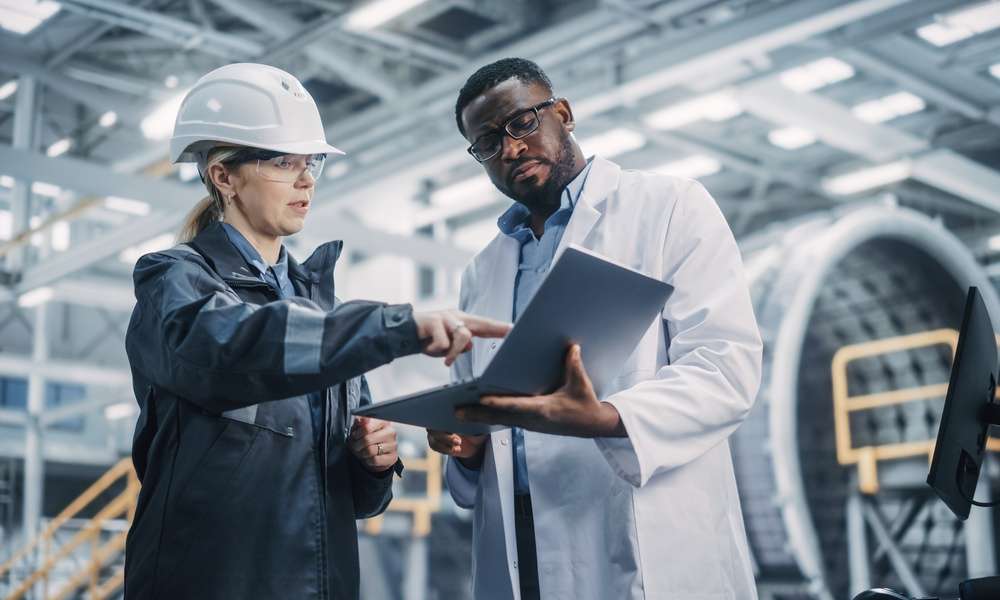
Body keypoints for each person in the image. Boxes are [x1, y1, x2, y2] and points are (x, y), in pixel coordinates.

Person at [123, 63, 509, 600]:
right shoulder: (175, 281)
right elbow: (235, 347)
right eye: (284, 162)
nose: (306, 179)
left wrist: (371, 462)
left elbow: (358, 501)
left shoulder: (320, 307)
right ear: (224, 176)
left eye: (312, 162)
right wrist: (395, 325)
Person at [427, 58, 763, 599]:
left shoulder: (669, 208)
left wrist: (608, 417)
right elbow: (485, 416)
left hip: (642, 538)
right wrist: (465, 448)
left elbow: (726, 369)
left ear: (563, 113)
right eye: (488, 142)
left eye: (522, 123)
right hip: (524, 552)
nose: (511, 149)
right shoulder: (481, 272)